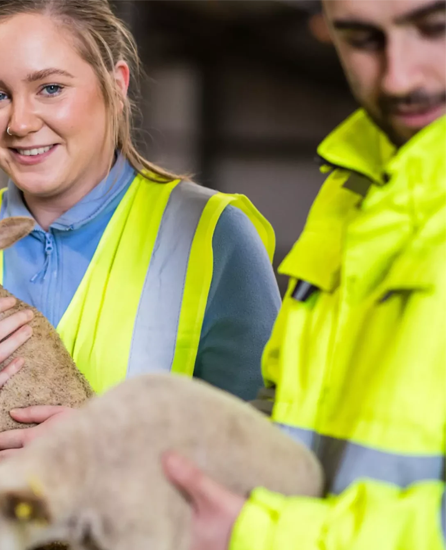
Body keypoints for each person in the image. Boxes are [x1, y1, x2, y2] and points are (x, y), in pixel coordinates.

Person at [0, 0, 284, 488]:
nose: (19, 122)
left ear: (116, 85)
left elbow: (268, 459)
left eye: (50, 88)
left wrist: (112, 453)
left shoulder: (211, 235)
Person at [162, 0, 446, 549]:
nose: (400, 76)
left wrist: (260, 534)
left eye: (435, 29)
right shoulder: (354, 186)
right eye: (361, 39)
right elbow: (295, 410)